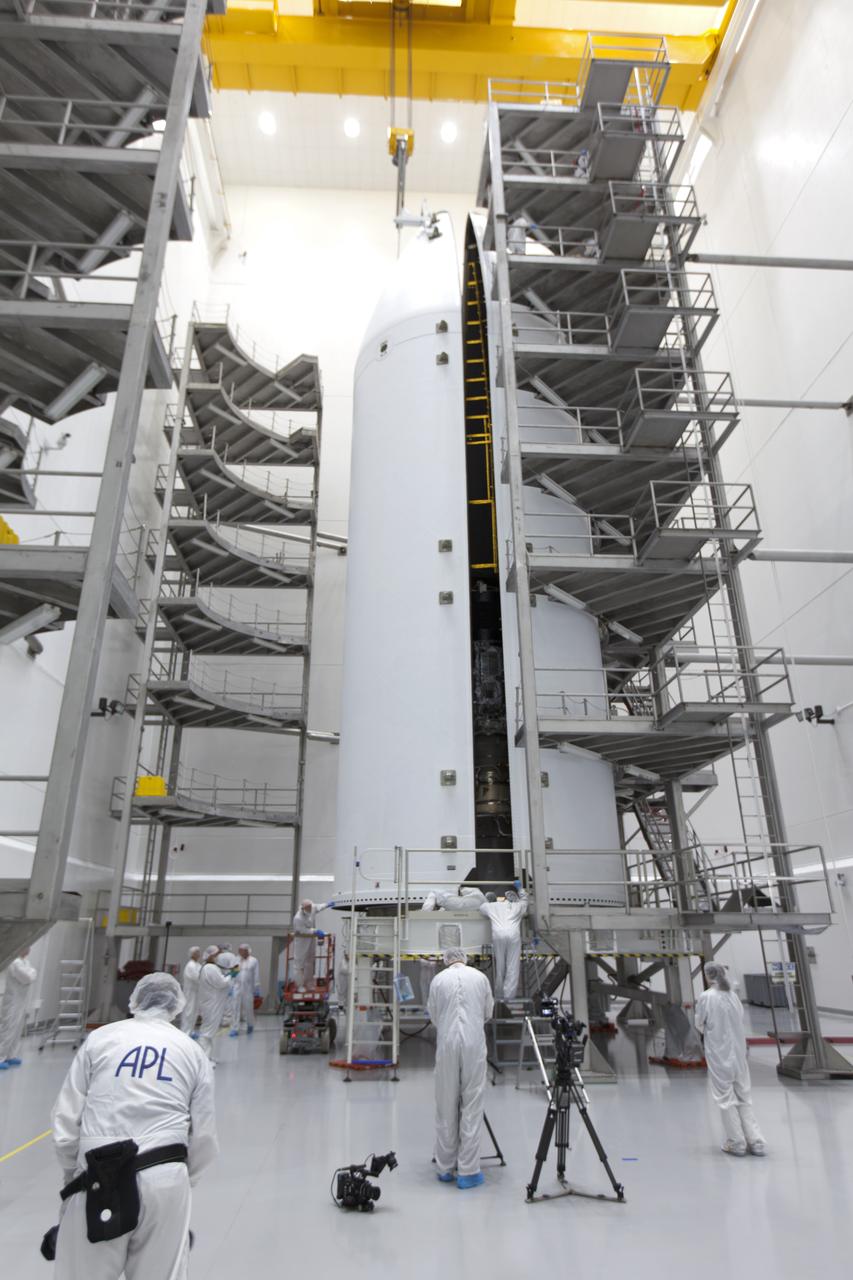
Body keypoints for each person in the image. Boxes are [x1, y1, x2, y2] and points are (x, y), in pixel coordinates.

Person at [50, 972, 217, 1279]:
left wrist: (70, 1175)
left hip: (96, 1173)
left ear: (135, 1000)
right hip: (165, 1175)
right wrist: (180, 1181)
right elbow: (204, 1138)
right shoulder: (192, 1051)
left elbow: (66, 1119)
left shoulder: (100, 1039)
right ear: (176, 1007)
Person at [426, 948, 494, 1189]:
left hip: (447, 1045)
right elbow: (488, 1013)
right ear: (465, 958)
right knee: (472, 1106)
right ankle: (468, 1171)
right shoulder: (480, 978)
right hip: (474, 1044)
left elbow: (433, 1015)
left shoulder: (438, 980)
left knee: (446, 1105)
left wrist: (449, 1024)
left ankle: (445, 1167)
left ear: (446, 960)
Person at [694, 961, 767, 1157]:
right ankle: (757, 1141)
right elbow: (740, 1019)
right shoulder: (733, 996)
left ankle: (737, 1142)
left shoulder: (706, 997)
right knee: (744, 1096)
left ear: (708, 976)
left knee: (725, 1098)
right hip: (738, 1053)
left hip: (719, 1054)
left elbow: (699, 1023)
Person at [479, 881, 528, 1000]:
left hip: (498, 935)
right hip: (513, 935)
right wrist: (520, 889)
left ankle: (499, 995)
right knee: (512, 965)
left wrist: (489, 901)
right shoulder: (517, 906)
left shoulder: (489, 906)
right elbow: (525, 901)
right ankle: (509, 996)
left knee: (500, 966)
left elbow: (481, 908)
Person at [0, 946, 38, 1069]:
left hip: (21, 1001)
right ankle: (0, 1057)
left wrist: (31, 973)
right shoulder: (14, 962)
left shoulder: (25, 962)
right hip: (12, 1001)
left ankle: (11, 1056)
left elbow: (32, 974)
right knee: (8, 1028)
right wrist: (31, 973)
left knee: (17, 1029)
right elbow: (27, 977)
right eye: (27, 947)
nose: (29, 949)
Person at [196, 951, 237, 1060]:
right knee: (207, 1033)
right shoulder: (210, 968)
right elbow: (221, 983)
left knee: (209, 1032)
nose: (215, 957)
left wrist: (229, 975)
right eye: (214, 954)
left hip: (211, 1004)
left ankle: (207, 1057)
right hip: (211, 1005)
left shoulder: (210, 968)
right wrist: (230, 976)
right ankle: (203, 1059)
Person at [291, 899, 333, 991]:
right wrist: (315, 931)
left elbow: (318, 907)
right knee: (299, 964)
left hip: (311, 939)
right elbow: (302, 930)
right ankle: (300, 985)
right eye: (308, 908)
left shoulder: (312, 907)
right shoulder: (298, 918)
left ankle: (309, 984)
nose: (310, 909)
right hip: (302, 941)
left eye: (310, 907)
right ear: (303, 908)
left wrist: (327, 904)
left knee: (310, 961)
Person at [229, 944, 261, 1037]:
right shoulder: (236, 960)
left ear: (247, 951)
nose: (241, 952)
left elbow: (256, 975)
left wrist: (257, 987)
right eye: (240, 951)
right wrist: (231, 987)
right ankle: (234, 1028)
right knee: (235, 1008)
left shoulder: (253, 961)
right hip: (237, 987)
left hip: (248, 988)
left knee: (248, 1008)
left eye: (243, 950)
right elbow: (233, 974)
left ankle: (250, 1024)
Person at [179, 947, 202, 1037]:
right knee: (189, 1012)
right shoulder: (191, 965)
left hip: (196, 992)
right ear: (192, 954)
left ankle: (191, 1031)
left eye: (199, 952)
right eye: (196, 952)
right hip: (190, 993)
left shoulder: (197, 964)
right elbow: (196, 977)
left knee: (194, 1012)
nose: (198, 954)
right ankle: (185, 1032)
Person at [422, 885, 486, 912]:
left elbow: (462, 890)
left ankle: (424, 912)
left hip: (455, 902)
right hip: (459, 906)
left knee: (433, 892)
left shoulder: (477, 892)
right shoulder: (484, 904)